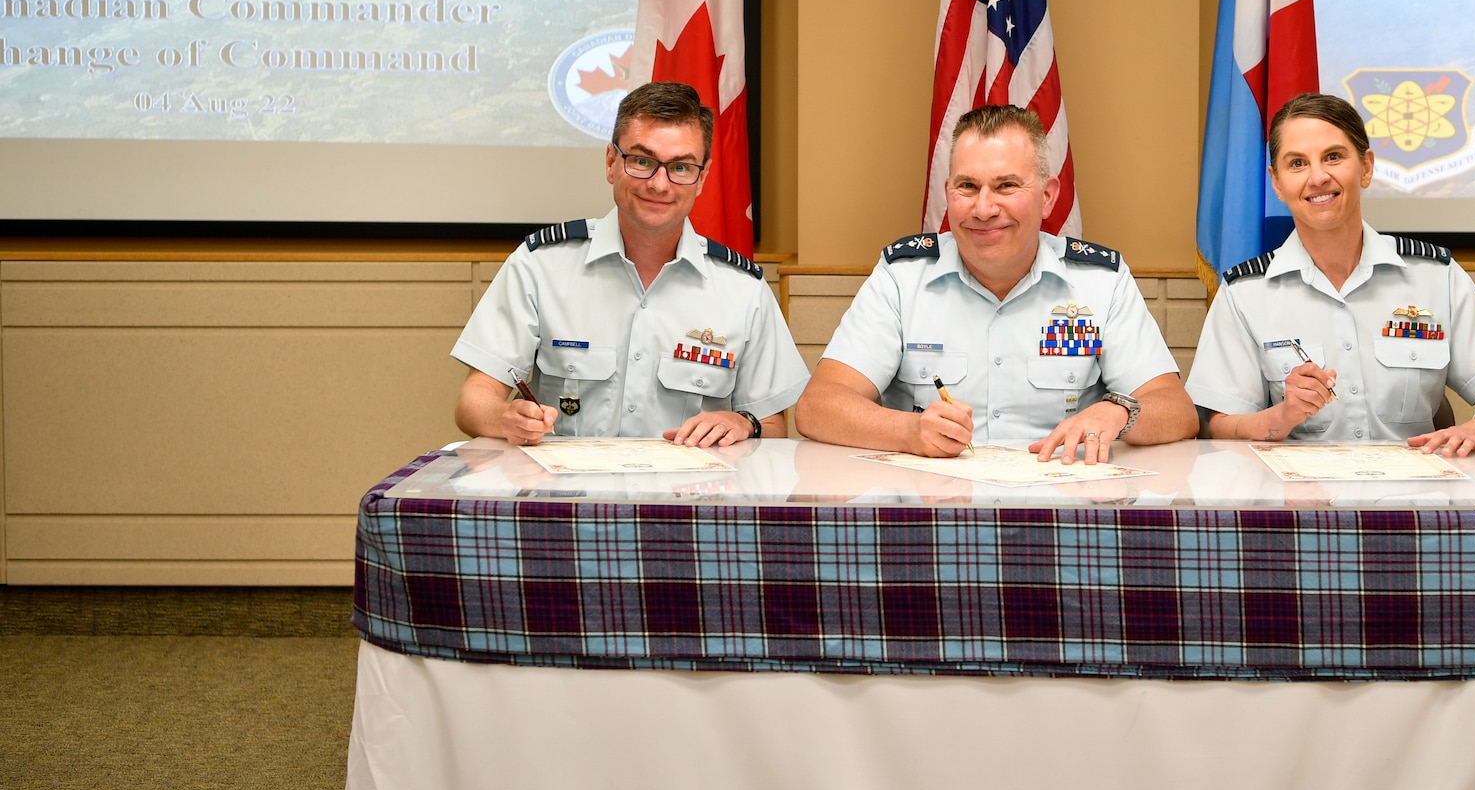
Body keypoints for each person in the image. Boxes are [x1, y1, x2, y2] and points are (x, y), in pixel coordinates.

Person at [795, 105, 1198, 462]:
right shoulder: (903, 277)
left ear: (1047, 196)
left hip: (1063, 509)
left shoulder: (1099, 281)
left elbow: (1176, 410)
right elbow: (819, 406)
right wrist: (909, 432)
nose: (984, 208)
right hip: (933, 512)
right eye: (967, 187)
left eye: (1007, 186)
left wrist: (1121, 413)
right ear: (948, 192)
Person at [451, 81, 807, 448]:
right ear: (611, 163)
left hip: (690, 499)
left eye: (681, 168)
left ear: (702, 178)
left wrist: (743, 422)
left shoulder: (743, 290)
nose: (659, 184)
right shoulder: (540, 266)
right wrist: (505, 419)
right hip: (566, 496)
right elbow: (473, 401)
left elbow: (773, 426)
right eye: (642, 162)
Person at [1187, 92, 1475, 456]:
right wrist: (1282, 415)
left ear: (1366, 167)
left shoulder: (1433, 276)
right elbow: (1220, 424)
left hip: (1415, 498)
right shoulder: (1246, 292)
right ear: (1276, 182)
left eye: (1333, 157)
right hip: (1301, 501)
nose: (1318, 177)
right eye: (1297, 163)